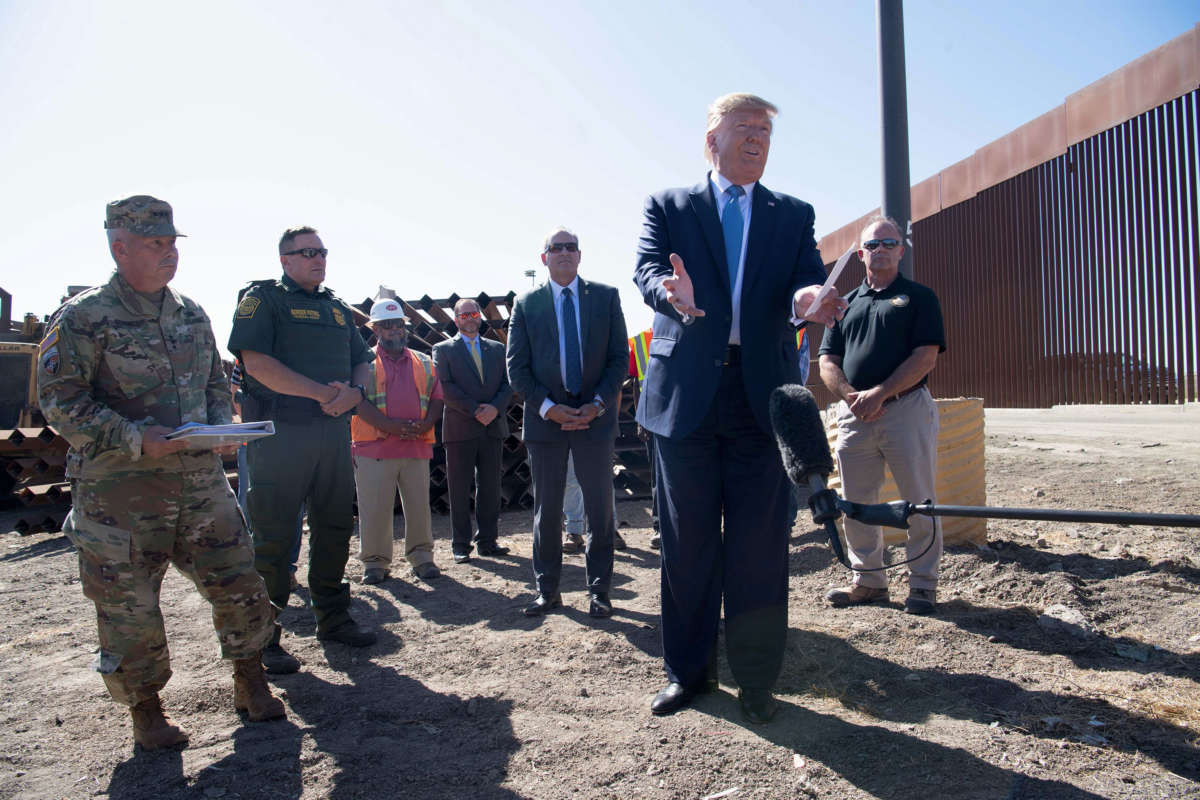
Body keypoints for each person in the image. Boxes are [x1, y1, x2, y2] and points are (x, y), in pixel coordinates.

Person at [39, 195, 284, 750]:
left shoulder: (191, 313)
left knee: (240, 582)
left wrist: (222, 427)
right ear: (119, 247)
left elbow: (216, 385)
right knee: (129, 608)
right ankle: (146, 713)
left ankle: (252, 682)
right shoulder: (83, 318)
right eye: (156, 244)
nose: (169, 253)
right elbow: (60, 402)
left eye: (173, 242)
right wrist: (133, 437)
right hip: (120, 493)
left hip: (199, 483)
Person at [633, 93, 846, 723]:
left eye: (765, 132)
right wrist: (669, 292)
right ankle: (687, 674)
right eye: (744, 129)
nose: (756, 139)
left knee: (759, 548)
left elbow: (803, 279)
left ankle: (757, 681)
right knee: (687, 544)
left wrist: (810, 298)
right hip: (685, 400)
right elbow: (646, 268)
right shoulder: (668, 206)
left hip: (763, 401)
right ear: (711, 140)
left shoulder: (792, 213)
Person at [228, 225, 377, 675]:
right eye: (307, 252)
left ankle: (333, 618)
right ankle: (265, 639)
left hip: (331, 435)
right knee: (272, 539)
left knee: (334, 527)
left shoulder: (334, 306)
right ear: (285, 260)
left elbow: (363, 360)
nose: (318, 258)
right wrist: (322, 394)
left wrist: (353, 393)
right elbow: (257, 364)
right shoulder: (263, 300)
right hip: (281, 436)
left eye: (322, 251)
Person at [818, 216, 946, 615]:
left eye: (889, 243)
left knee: (920, 502)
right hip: (855, 417)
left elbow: (926, 357)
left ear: (901, 250)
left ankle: (923, 585)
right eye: (873, 245)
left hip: (904, 409)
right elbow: (826, 360)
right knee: (855, 503)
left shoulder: (920, 297)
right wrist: (853, 397)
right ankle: (869, 581)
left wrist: (881, 393)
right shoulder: (845, 305)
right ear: (860, 254)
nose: (881, 250)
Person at [507, 227, 628, 619]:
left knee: (600, 509)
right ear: (544, 258)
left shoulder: (605, 297)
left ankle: (600, 591)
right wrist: (548, 408)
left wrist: (595, 405)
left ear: (580, 255)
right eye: (555, 248)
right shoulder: (526, 304)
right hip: (546, 424)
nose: (563, 253)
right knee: (547, 510)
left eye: (570, 247)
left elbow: (617, 361)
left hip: (595, 421)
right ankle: (548, 591)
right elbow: (517, 368)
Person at [351, 299, 445, 583]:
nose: (394, 330)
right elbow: (358, 402)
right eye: (387, 325)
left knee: (418, 506)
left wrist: (426, 424)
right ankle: (375, 563)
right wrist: (392, 427)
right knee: (375, 508)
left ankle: (422, 558)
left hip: (415, 446)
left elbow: (438, 398)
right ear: (376, 329)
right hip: (374, 447)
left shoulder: (425, 361)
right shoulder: (362, 363)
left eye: (398, 324)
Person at [432, 298, 512, 564]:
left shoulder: (497, 349)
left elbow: (507, 383)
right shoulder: (443, 350)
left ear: (480, 317)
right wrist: (477, 409)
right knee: (458, 488)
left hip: (492, 427)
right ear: (456, 319)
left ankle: (488, 541)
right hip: (460, 429)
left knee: (490, 487)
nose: (469, 317)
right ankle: (460, 545)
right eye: (463, 314)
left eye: (473, 313)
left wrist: (494, 408)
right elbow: (446, 387)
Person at [561, 451, 624, 552]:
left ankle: (609, 529)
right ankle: (573, 531)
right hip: (568, 435)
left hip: (598, 436)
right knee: (572, 479)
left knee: (603, 477)